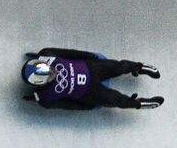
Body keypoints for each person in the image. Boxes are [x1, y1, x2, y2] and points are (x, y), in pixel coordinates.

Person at [21, 47, 163, 110]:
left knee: (120, 66)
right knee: (118, 100)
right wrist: (86, 107)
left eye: (43, 66)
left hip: (90, 67)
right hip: (88, 92)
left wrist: (90, 56)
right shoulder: (45, 98)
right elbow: (67, 105)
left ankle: (140, 68)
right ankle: (141, 103)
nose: (49, 70)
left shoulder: (47, 55)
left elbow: (69, 53)